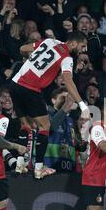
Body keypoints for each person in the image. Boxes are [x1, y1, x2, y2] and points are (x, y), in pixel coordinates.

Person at [11, 31, 89, 179]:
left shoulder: (50, 42)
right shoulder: (67, 58)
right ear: (73, 43)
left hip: (15, 84)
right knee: (45, 127)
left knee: (26, 125)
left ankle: (20, 165)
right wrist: (82, 105)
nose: (83, 50)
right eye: (82, 46)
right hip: (30, 88)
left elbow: (22, 48)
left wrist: (32, 60)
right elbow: (68, 80)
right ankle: (39, 168)